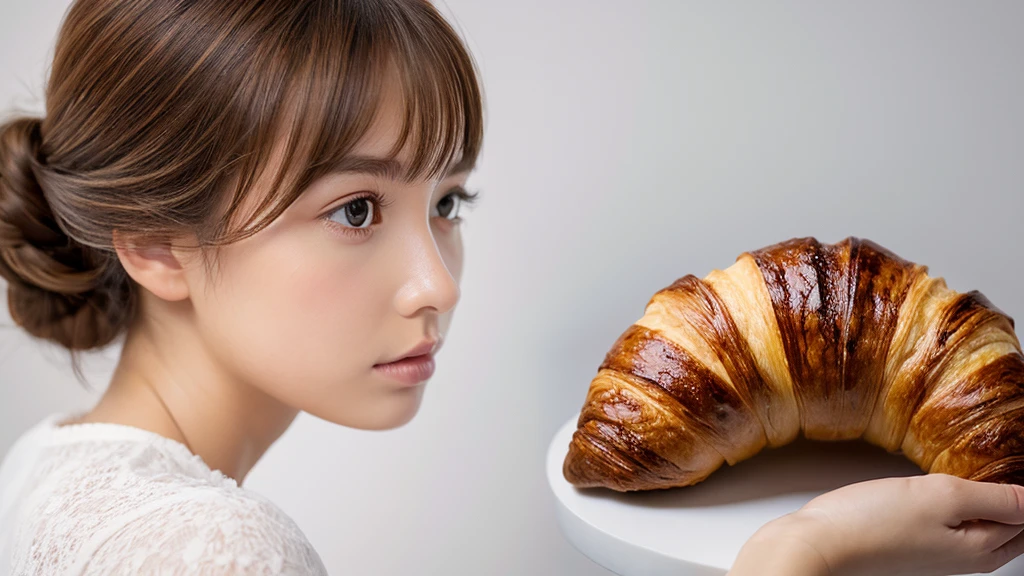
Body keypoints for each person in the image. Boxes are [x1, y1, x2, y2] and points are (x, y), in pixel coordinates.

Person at [0, 1, 1021, 575]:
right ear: (157, 245)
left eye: (447, 201)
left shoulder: (48, 467)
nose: (434, 283)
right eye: (355, 210)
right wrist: (796, 557)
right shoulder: (210, 553)